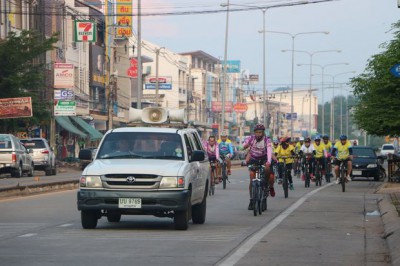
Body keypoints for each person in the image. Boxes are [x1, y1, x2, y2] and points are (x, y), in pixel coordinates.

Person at [242, 124, 274, 210]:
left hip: (264, 159)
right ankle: (252, 199)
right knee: (252, 177)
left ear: (263, 133)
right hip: (253, 159)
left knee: (267, 169)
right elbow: (243, 145)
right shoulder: (251, 138)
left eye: (260, 132)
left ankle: (266, 185)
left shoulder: (267, 140)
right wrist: (244, 146)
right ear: (254, 133)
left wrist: (268, 161)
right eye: (257, 132)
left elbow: (269, 151)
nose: (258, 134)